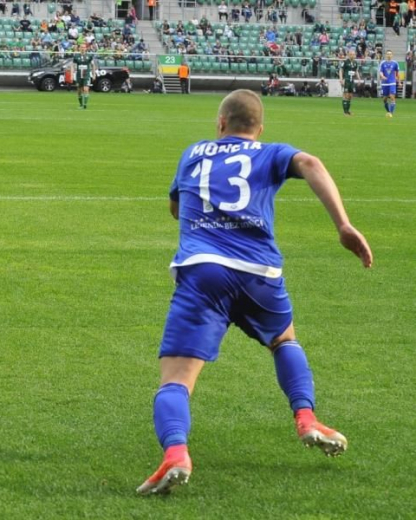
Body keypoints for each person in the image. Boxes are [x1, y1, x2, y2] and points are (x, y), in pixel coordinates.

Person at [136, 89, 373, 496]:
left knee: (175, 380)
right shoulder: (270, 152)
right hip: (260, 273)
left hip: (204, 272)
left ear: (221, 123)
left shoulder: (193, 153)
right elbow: (311, 163)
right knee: (284, 340)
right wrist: (343, 225)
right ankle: (306, 417)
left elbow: (176, 209)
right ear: (259, 129)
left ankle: (176, 453)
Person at [70, 43, 96, 109]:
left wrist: (94, 74)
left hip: (86, 74)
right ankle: (81, 104)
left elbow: (93, 65)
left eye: (84, 47)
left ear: (86, 48)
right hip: (79, 75)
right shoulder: (76, 56)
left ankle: (85, 104)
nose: (82, 48)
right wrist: (71, 75)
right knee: (79, 90)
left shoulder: (89, 56)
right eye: (81, 47)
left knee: (85, 89)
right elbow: (72, 66)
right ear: (79, 48)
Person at [378, 50, 400, 117]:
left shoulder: (395, 63)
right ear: (386, 55)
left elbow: (397, 73)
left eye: (390, 54)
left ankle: (391, 113)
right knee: (384, 99)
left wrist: (399, 82)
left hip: (392, 83)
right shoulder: (382, 63)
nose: (389, 55)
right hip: (384, 83)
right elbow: (380, 72)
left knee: (392, 96)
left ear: (392, 55)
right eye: (388, 54)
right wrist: (382, 76)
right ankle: (388, 111)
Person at [339, 50, 360, 115]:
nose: (352, 56)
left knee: (350, 96)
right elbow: (341, 70)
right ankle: (345, 112)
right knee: (346, 95)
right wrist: (341, 79)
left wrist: (359, 79)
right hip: (347, 80)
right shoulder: (345, 62)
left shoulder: (355, 63)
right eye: (351, 54)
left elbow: (356, 71)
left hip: (352, 81)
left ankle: (348, 111)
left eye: (353, 54)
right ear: (348, 55)